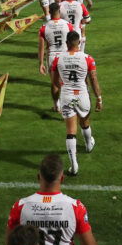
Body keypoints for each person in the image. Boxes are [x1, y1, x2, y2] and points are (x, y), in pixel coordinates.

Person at [51, 31, 102, 175]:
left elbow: (54, 81)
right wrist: (99, 98)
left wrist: (63, 85)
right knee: (85, 122)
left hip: (67, 95)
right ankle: (88, 145)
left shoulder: (58, 59)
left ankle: (74, 166)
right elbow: (93, 80)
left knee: (70, 131)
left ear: (66, 43)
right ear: (79, 43)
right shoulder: (88, 58)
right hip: (82, 95)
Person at [38, 3, 74, 110]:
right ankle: (70, 106)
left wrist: (40, 63)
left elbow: (41, 47)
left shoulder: (44, 28)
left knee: (54, 83)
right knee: (67, 82)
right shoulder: (68, 25)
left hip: (52, 56)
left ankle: (56, 105)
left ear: (49, 12)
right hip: (65, 55)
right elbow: (73, 42)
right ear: (59, 11)